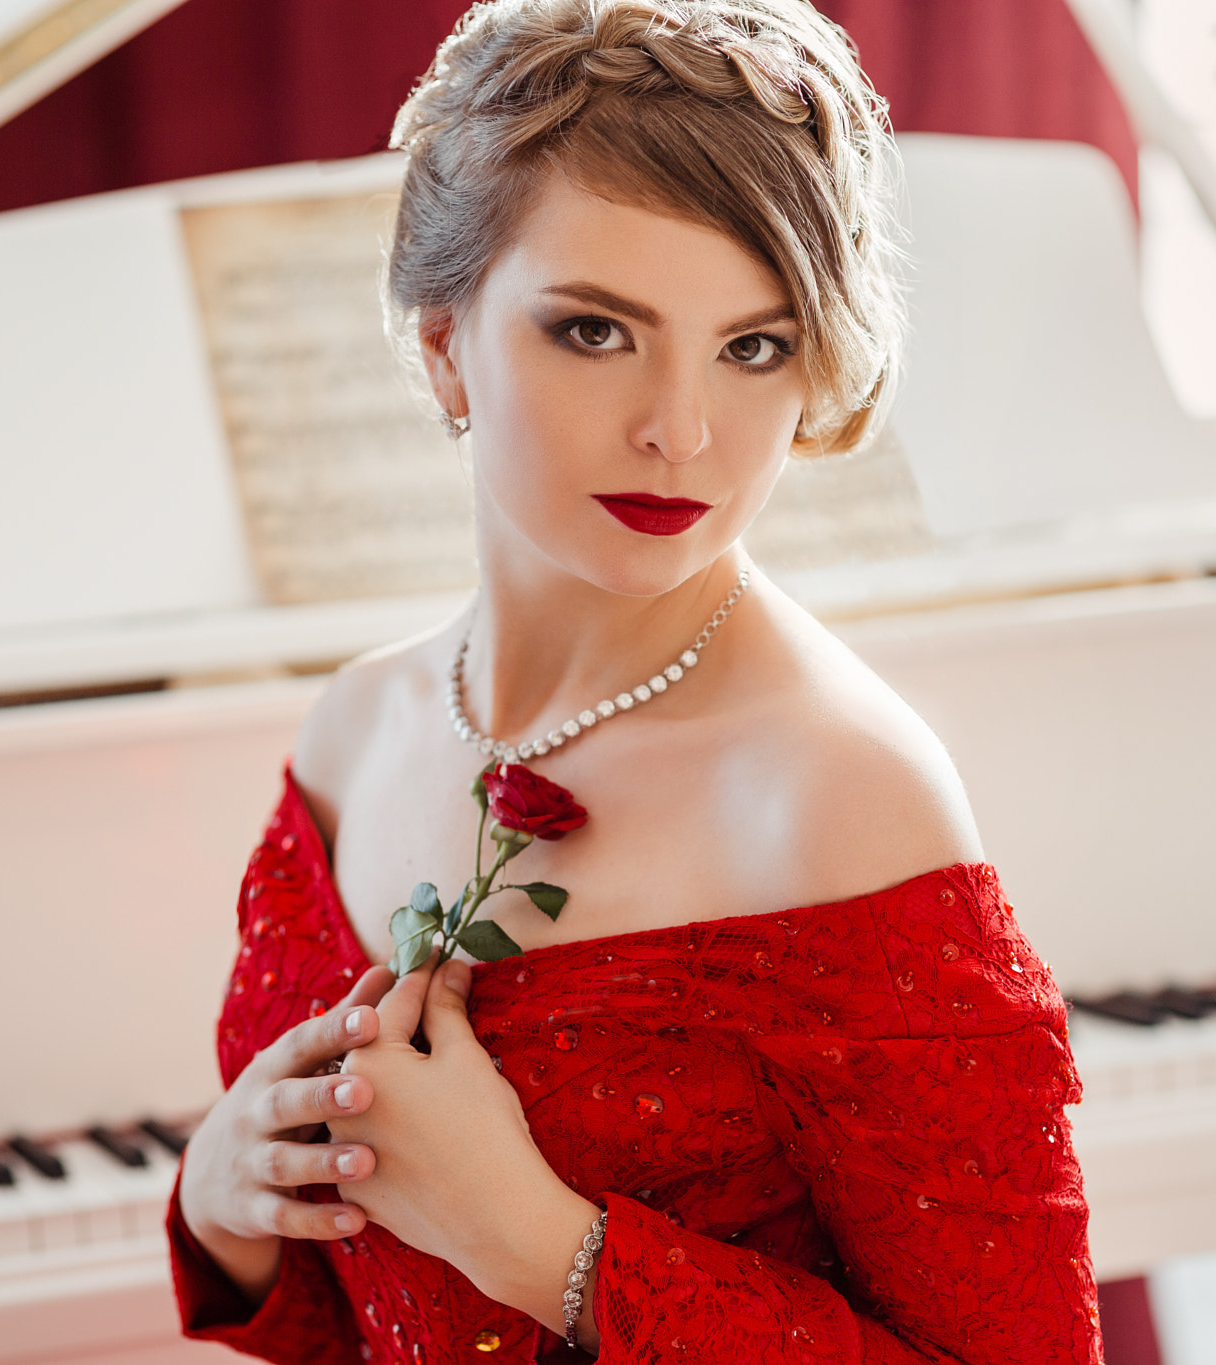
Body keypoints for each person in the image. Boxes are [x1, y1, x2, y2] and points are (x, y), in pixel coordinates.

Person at [167, 1, 1099, 1360]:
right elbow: (354, 1314)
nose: (683, 430)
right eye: (597, 332)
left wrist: (536, 1240)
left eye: (754, 345)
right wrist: (223, 1198)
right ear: (442, 343)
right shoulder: (352, 736)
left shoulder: (845, 796)